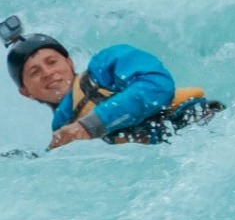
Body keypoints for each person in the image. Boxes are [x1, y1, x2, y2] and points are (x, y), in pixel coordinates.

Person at [5, 23, 222, 151]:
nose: (47, 72)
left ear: (69, 62)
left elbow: (157, 86)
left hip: (206, 127)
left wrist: (89, 126)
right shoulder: (62, 140)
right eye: (34, 72)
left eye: (52, 61)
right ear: (26, 92)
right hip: (178, 157)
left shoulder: (104, 68)